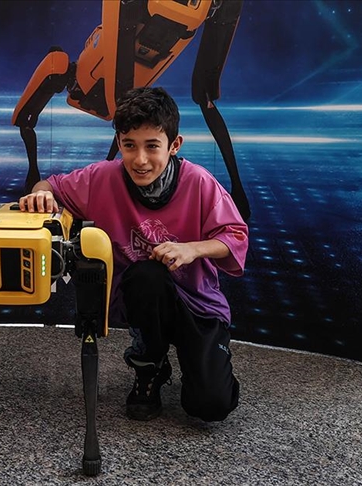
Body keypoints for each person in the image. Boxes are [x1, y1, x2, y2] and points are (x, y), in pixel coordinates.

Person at [19, 86, 248, 422]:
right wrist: (42, 196)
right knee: (145, 274)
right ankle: (149, 366)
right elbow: (49, 185)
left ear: (174, 145)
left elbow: (236, 236)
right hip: (142, 299)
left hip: (196, 303)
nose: (140, 160)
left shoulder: (200, 182)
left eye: (152, 146)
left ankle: (204, 362)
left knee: (210, 405)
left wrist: (192, 249)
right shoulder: (101, 177)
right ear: (119, 142)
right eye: (129, 145)